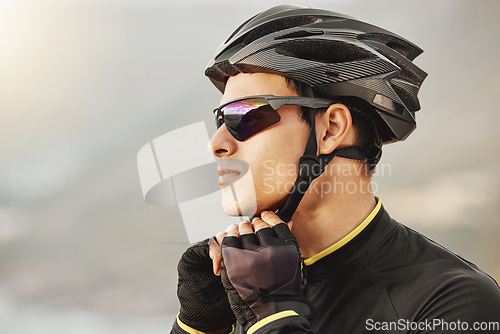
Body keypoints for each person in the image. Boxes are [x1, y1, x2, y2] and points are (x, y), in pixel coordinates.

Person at [170, 5, 500, 334]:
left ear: (330, 128)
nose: (215, 143)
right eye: (220, 119)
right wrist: (200, 327)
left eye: (244, 115)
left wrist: (275, 321)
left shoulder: (456, 302)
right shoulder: (246, 292)